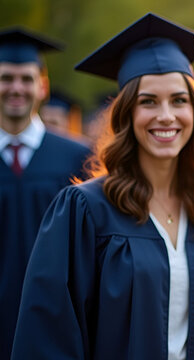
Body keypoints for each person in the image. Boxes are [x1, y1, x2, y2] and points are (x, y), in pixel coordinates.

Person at [11, 13, 194, 359]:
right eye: (148, 101)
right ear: (127, 114)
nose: (166, 115)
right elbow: (48, 338)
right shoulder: (85, 210)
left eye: (179, 100)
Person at [0, 26, 91, 359]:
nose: (16, 88)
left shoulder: (78, 158)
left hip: (57, 325)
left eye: (26, 79)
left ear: (43, 86)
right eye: (6, 78)